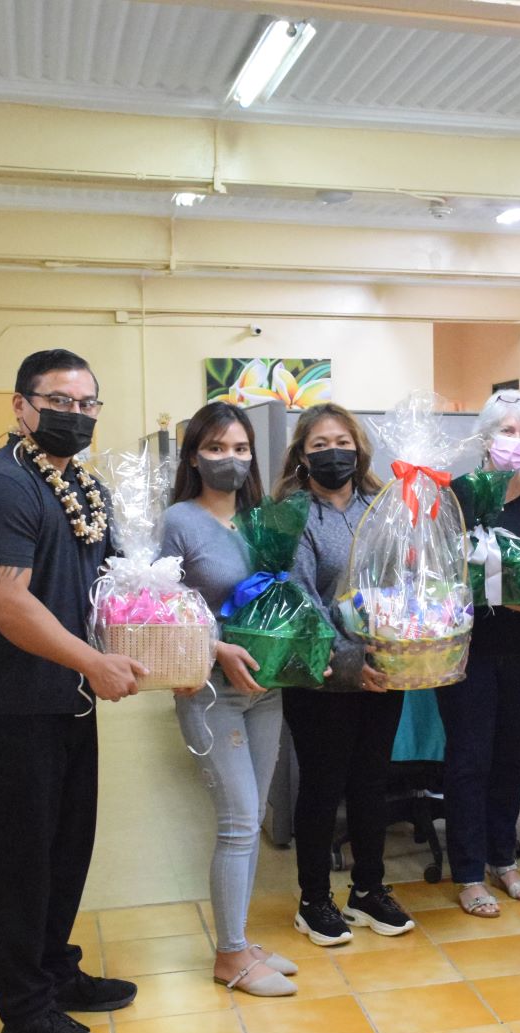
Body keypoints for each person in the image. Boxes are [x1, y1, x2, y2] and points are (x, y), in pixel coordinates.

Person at [0, 348, 145, 1033]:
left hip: (65, 702)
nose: (75, 414)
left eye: (87, 403)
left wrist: (186, 651)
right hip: (11, 707)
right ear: (21, 405)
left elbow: (118, 587)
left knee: (65, 851)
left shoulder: (83, 488)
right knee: (17, 863)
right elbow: (3, 601)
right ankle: (24, 1010)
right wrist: (92, 663)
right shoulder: (2, 485)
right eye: (59, 401)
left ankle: (54, 971)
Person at [159, 402, 300, 995]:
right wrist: (216, 649)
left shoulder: (265, 520)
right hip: (212, 691)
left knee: (254, 812)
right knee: (239, 822)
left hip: (267, 691)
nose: (230, 459)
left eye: (241, 449)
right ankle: (230, 957)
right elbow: (159, 609)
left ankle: (240, 938)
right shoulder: (178, 522)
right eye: (216, 448)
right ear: (194, 455)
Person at [276, 402, 417, 946]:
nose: (333, 453)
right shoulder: (293, 514)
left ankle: (368, 889)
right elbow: (301, 600)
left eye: (342, 442)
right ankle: (314, 900)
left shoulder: (384, 506)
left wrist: (398, 648)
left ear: (358, 448)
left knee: (371, 782)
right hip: (322, 675)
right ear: (302, 456)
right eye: (319, 446)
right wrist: (351, 663)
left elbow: (405, 583)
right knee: (322, 784)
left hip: (384, 671)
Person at [438, 393, 520, 918]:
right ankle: (467, 871)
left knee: (512, 756)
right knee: (469, 757)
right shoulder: (456, 495)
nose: (516, 441)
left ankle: (501, 857)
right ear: (485, 437)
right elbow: (436, 568)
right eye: (506, 431)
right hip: (467, 645)